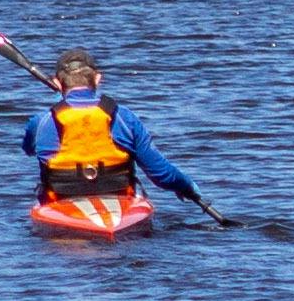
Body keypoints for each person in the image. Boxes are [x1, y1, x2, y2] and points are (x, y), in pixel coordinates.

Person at [30, 51, 195, 206]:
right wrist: (186, 185)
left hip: (60, 200)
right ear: (97, 79)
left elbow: (29, 149)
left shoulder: (42, 120)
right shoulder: (124, 117)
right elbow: (162, 175)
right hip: (120, 197)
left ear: (57, 83)